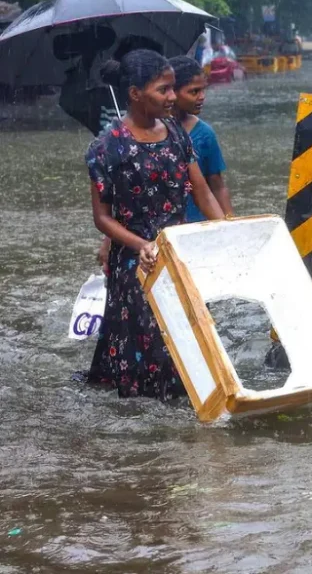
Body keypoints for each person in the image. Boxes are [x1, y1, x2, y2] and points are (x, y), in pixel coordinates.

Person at [85, 50, 225, 399]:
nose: (172, 97)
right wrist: (141, 245)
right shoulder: (107, 147)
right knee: (146, 347)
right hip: (137, 261)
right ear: (135, 94)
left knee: (192, 342)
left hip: (179, 253)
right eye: (164, 90)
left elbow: (204, 192)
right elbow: (102, 217)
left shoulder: (177, 134)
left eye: (173, 89)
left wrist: (227, 231)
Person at [169, 57, 234, 222]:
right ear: (171, 92)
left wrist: (231, 222)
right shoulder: (149, 133)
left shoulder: (205, 134)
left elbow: (217, 185)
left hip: (198, 223)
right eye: (194, 91)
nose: (202, 97)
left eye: (203, 90)